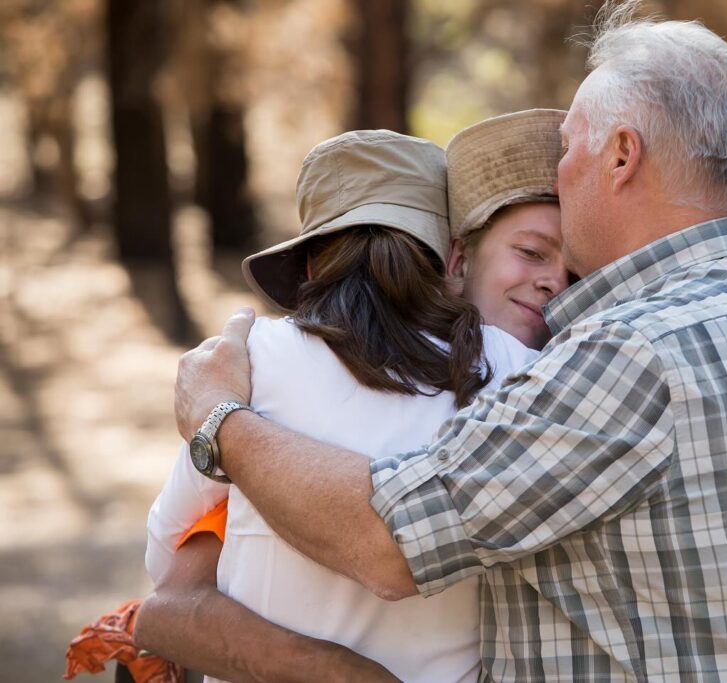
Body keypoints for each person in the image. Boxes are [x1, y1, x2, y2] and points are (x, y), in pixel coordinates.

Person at [171, 4, 727, 681]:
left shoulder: (635, 353)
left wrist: (218, 417)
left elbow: (386, 541)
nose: (560, 174)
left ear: (621, 157)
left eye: (570, 148)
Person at [139, 114, 570, 682]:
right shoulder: (516, 368)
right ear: (448, 260)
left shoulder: (251, 360)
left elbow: (163, 558)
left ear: (313, 261)